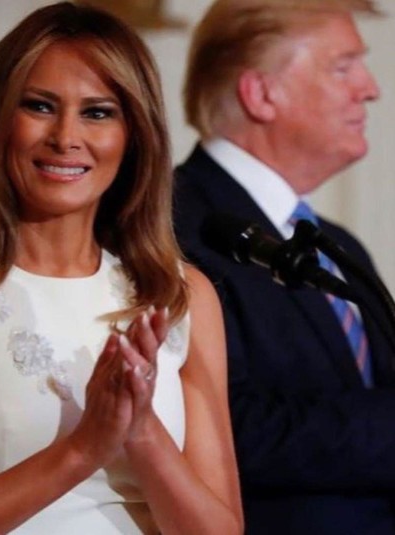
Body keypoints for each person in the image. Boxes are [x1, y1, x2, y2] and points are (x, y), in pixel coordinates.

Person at [0, 3, 243, 534]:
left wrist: (140, 430)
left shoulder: (180, 295)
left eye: (97, 113)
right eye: (40, 106)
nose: (65, 137)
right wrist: (82, 449)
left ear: (135, 136)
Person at [173, 0, 395, 534]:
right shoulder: (170, 227)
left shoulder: (338, 244)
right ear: (261, 93)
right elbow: (221, 427)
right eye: (343, 67)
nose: (369, 89)